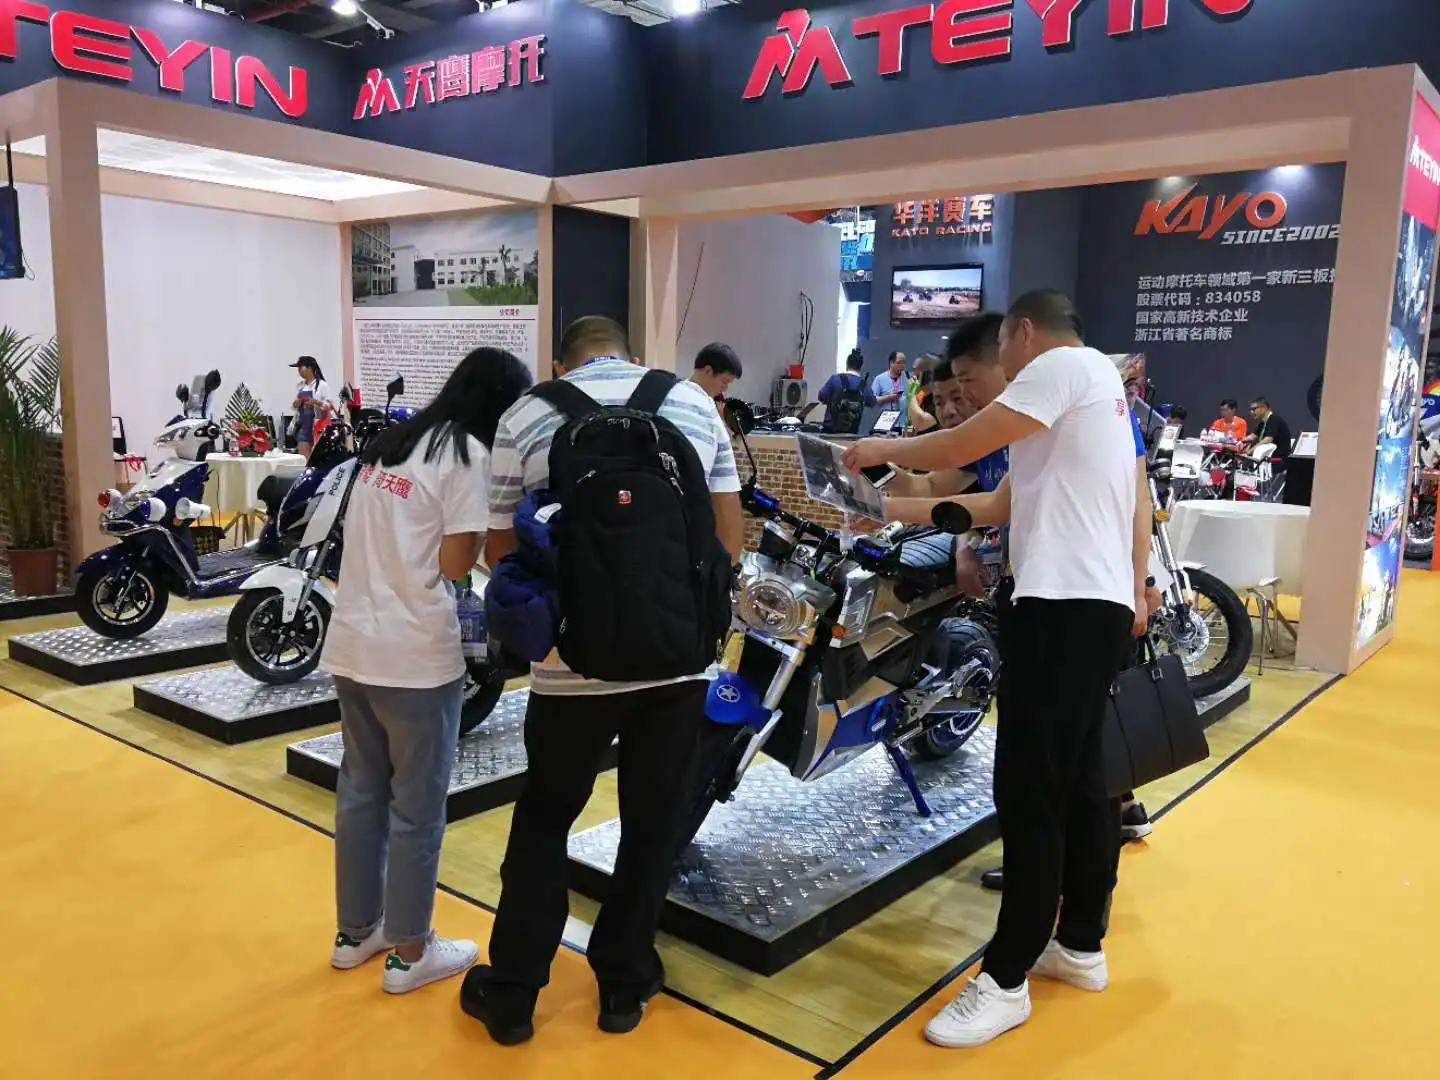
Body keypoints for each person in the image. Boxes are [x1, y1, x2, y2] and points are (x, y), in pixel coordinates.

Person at [843, 291, 1142, 1049]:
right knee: (1081, 785)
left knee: (1029, 791)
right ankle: (1079, 944)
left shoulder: (1061, 366)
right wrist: (884, 509)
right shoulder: (1092, 393)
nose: (998, 371)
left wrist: (875, 450)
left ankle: (1005, 979)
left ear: (1023, 332)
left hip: (1061, 609)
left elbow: (955, 447)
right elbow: (997, 503)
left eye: (1000, 353)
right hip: (1090, 609)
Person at [461, 316, 743, 1045]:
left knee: (546, 816)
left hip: (569, 667)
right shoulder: (690, 401)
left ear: (562, 364)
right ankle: (624, 981)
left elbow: (500, 548)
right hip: (677, 664)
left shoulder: (527, 413)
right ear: (631, 355)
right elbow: (728, 539)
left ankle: (514, 992)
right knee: (652, 822)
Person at [322, 346, 532, 995]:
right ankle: (410, 951)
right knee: (416, 809)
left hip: (353, 643)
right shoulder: (465, 454)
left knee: (361, 792)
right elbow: (452, 565)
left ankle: (356, 934)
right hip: (413, 655)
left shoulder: (394, 441)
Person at [818, 350, 876, 433]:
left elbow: (821, 396)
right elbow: (872, 403)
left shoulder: (835, 379)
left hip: (830, 430)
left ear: (847, 364)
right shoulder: (864, 385)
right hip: (851, 432)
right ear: (861, 366)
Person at [290, 356, 336, 459]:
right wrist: (296, 403)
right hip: (304, 425)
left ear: (310, 368)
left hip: (319, 425)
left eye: (300, 368)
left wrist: (316, 402)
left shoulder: (322, 385)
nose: (299, 371)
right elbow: (293, 407)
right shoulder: (300, 386)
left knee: (317, 457)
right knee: (302, 457)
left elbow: (329, 406)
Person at [1245, 396, 1292, 464]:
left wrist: (1250, 451)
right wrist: (1242, 442)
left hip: (1278, 461)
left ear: (1264, 408)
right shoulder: (1262, 422)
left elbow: (1268, 439)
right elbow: (1252, 436)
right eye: (1251, 409)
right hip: (1266, 459)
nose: (1251, 412)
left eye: (1254, 409)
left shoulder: (1274, 419)